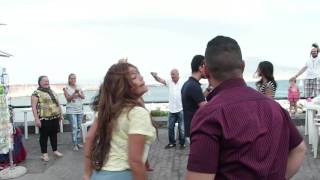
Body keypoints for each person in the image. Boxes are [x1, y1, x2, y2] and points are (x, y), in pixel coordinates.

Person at [186, 36, 306, 180]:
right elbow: (299, 149)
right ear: (242, 66)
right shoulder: (275, 108)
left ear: (205, 71)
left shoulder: (208, 115)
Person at [83, 62, 156, 180]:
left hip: (99, 174)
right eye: (134, 77)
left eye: (139, 74)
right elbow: (135, 161)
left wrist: (87, 174)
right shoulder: (137, 113)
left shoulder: (106, 110)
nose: (141, 78)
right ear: (123, 87)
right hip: (123, 174)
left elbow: (89, 138)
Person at [31, 76, 64, 162]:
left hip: (54, 117)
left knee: (54, 135)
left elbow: (58, 103)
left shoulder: (52, 91)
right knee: (44, 136)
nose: (47, 82)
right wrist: (36, 119)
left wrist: (61, 114)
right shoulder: (36, 93)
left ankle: (55, 150)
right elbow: (34, 107)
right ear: (40, 82)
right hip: (44, 118)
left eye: (47, 81)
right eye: (44, 81)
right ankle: (44, 154)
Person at [151, 69, 185, 149]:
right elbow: (160, 80)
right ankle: (172, 143)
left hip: (181, 109)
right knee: (170, 127)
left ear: (178, 74)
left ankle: (182, 143)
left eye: (173, 74)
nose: (172, 76)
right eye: (171, 74)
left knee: (182, 128)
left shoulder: (183, 82)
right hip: (172, 109)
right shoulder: (169, 81)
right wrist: (155, 76)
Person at [181, 55, 207, 142]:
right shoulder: (194, 86)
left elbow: (198, 98)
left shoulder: (188, 84)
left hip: (190, 127)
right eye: (206, 66)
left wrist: (209, 88)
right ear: (200, 67)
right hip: (195, 128)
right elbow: (206, 108)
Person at [63, 73, 85, 151]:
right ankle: (75, 144)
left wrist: (78, 93)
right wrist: (74, 93)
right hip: (71, 110)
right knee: (74, 127)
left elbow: (83, 97)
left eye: (74, 78)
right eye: (72, 78)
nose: (73, 80)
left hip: (79, 109)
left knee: (79, 127)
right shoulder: (66, 88)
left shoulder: (79, 87)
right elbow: (68, 99)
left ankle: (78, 142)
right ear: (69, 79)